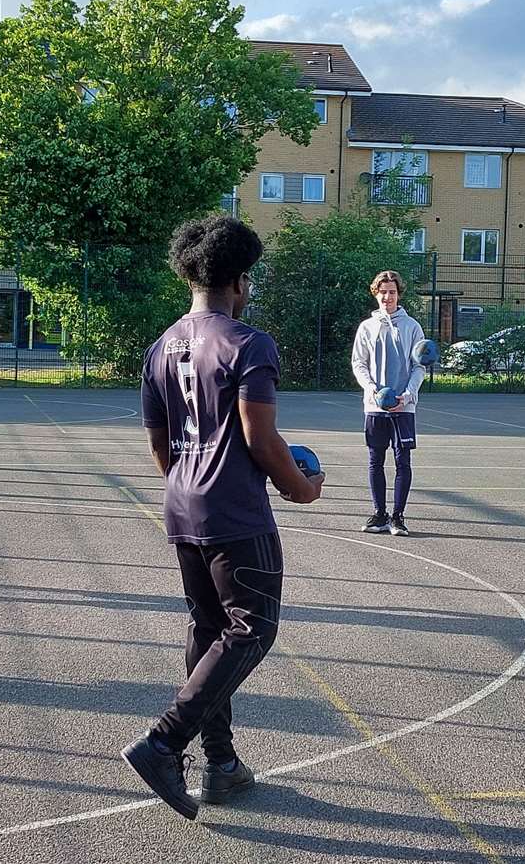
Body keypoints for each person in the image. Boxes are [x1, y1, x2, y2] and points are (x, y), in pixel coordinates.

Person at [123, 215, 324, 820]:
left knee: (209, 631)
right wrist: (302, 486)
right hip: (235, 509)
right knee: (252, 629)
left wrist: (187, 482)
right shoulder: (248, 343)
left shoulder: (161, 346)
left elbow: (160, 443)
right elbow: (259, 440)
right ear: (239, 280)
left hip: (182, 502)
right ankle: (164, 742)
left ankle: (222, 764)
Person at [350, 271, 426, 536]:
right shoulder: (367, 327)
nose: (387, 296)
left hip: (403, 406)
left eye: (392, 292)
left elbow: (420, 366)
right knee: (375, 460)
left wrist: (407, 395)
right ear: (376, 293)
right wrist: (371, 390)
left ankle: (398, 517)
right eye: (383, 291)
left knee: (402, 460)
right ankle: (379, 515)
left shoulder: (412, 326)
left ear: (398, 294)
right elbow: (358, 363)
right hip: (375, 406)